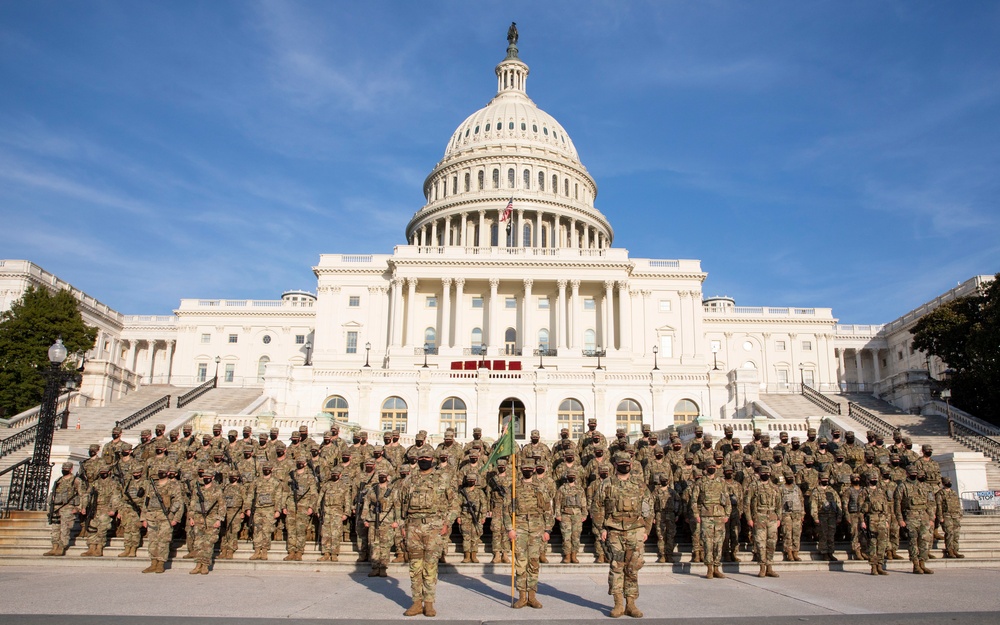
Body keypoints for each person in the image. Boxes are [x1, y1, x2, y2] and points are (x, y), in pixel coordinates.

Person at [399, 450, 458, 617]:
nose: (424, 460)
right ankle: (417, 602)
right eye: (421, 458)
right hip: (413, 528)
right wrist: (402, 524)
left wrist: (447, 523)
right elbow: (400, 503)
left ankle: (429, 603)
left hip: (434, 528)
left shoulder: (442, 478)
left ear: (433, 459)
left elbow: (455, 504)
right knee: (415, 566)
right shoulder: (409, 479)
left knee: (431, 566)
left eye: (427, 458)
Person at [595, 452, 651, 617]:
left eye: (627, 463)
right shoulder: (607, 484)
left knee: (633, 567)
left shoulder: (639, 485)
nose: (624, 465)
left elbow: (648, 507)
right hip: (614, 531)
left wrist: (646, 530)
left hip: (635, 530)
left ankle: (631, 604)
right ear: (616, 465)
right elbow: (597, 507)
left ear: (631, 465)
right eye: (621, 463)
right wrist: (601, 529)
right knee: (617, 567)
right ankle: (618, 604)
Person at [503, 458, 552, 610]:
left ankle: (532, 596)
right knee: (520, 562)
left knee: (534, 562)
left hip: (537, 528)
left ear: (533, 470)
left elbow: (548, 509)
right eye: (525, 468)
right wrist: (510, 528)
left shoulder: (541, 486)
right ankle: (522, 596)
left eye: (530, 468)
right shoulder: (514, 487)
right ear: (521, 470)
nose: (527, 471)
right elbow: (506, 510)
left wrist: (548, 529)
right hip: (520, 527)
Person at [692, 459, 730, 579]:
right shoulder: (700, 482)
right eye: (710, 466)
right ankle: (709, 568)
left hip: (719, 516)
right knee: (707, 543)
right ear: (706, 468)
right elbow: (694, 500)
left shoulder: (721, 482)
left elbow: (727, 499)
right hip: (706, 516)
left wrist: (727, 514)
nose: (712, 468)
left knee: (719, 543)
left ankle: (716, 568)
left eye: (714, 466)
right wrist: (696, 514)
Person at [141, 468, 184, 574]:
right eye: (159, 472)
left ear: (168, 473)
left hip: (166, 517)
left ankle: (160, 563)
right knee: (152, 541)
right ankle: (153, 562)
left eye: (163, 471)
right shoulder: (152, 485)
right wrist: (143, 517)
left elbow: (179, 502)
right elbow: (146, 502)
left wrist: (175, 517)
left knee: (163, 541)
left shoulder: (174, 485)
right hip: (151, 516)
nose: (161, 473)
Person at [896, 466, 934, 574]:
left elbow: (930, 503)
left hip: (923, 516)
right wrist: (900, 519)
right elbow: (897, 504)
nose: (914, 474)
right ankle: (915, 564)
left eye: (915, 473)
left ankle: (923, 563)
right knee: (913, 540)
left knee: (925, 540)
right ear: (907, 474)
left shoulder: (923, 486)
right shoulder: (902, 486)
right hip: (910, 516)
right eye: (911, 473)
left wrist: (931, 517)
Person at [188, 468, 225, 574]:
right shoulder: (198, 490)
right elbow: (192, 504)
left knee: (208, 544)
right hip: (198, 518)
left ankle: (205, 565)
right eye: (204, 477)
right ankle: (198, 564)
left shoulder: (217, 490)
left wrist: (219, 519)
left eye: (208, 478)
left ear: (212, 478)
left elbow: (222, 506)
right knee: (198, 544)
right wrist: (191, 517)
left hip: (211, 519)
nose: (206, 479)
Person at [363, 469, 399, 577]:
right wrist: (364, 519)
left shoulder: (392, 491)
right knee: (374, 544)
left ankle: (383, 567)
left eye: (384, 476)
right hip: (374, 520)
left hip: (387, 521)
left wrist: (396, 521)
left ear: (387, 477)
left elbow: (397, 506)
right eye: (380, 476)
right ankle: (375, 567)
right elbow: (366, 505)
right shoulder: (372, 490)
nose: (382, 477)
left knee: (385, 545)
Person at [44, 462, 85, 557]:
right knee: (55, 528)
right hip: (56, 508)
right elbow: (53, 493)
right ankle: (54, 546)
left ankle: (61, 547)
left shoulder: (76, 480)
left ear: (71, 469)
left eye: (66, 468)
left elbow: (82, 494)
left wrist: (79, 508)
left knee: (65, 528)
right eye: (63, 468)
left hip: (68, 507)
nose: (64, 470)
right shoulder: (59, 480)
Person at [747, 464, 781, 578]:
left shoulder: (774, 487)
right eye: (763, 473)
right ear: (759, 474)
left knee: (771, 542)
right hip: (759, 516)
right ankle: (762, 567)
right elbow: (747, 503)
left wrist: (779, 518)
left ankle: (769, 567)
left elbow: (779, 504)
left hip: (772, 517)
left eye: (767, 473)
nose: (765, 475)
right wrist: (749, 518)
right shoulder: (753, 486)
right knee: (760, 543)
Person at [247, 462, 286, 561]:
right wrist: (247, 508)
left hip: (269, 509)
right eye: (264, 468)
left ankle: (264, 551)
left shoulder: (276, 482)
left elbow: (278, 497)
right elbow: (250, 495)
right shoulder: (256, 481)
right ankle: (257, 551)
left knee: (267, 530)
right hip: (258, 509)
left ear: (272, 469)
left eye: (268, 468)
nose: (266, 470)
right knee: (257, 530)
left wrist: (277, 510)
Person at [81, 465, 120, 557]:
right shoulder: (95, 483)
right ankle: (91, 548)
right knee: (91, 528)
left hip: (106, 508)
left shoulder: (113, 483)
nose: (103, 474)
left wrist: (113, 509)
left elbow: (116, 496)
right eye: (101, 472)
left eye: (104, 472)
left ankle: (99, 547)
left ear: (109, 473)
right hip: (94, 509)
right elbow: (87, 495)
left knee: (102, 528)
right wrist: (84, 507)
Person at [317, 466, 354, 562]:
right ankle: (326, 552)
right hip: (326, 511)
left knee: (335, 534)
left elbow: (347, 501)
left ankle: (334, 553)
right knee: (325, 533)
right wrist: (318, 510)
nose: (334, 476)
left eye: (336, 475)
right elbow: (320, 498)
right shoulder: (326, 485)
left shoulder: (343, 486)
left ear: (340, 475)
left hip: (337, 512)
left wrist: (346, 513)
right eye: (333, 475)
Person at [860, 471, 891, 575]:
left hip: (881, 519)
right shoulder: (864, 492)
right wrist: (862, 521)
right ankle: (873, 566)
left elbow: (886, 506)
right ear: (868, 480)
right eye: (872, 479)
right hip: (871, 519)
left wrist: (886, 520)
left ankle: (880, 565)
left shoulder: (881, 491)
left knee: (882, 543)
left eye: (875, 479)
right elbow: (860, 508)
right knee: (873, 543)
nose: (874, 480)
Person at [554, 469, 587, 563]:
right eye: (570, 475)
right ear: (567, 477)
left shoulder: (580, 489)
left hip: (577, 515)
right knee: (566, 536)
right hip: (565, 515)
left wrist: (584, 514)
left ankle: (574, 555)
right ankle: (567, 555)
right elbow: (558, 502)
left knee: (576, 536)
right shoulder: (562, 488)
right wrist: (558, 514)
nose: (571, 477)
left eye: (573, 475)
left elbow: (583, 502)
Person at [457, 472, 487, 563]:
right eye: (469, 480)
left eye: (472, 480)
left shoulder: (479, 491)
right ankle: (467, 556)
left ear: (475, 481)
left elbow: (484, 504)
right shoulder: (463, 492)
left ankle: (474, 555)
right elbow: (458, 504)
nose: (471, 482)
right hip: (465, 516)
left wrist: (483, 516)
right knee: (466, 536)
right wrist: (458, 516)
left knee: (475, 536)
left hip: (476, 516)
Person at [937, 477, 964, 558]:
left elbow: (957, 503)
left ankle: (955, 550)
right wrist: (940, 516)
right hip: (946, 515)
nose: (949, 483)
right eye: (947, 482)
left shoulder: (953, 492)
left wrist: (960, 513)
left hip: (955, 515)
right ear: (943, 483)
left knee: (956, 533)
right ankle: (949, 550)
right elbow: (939, 505)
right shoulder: (940, 493)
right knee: (949, 533)